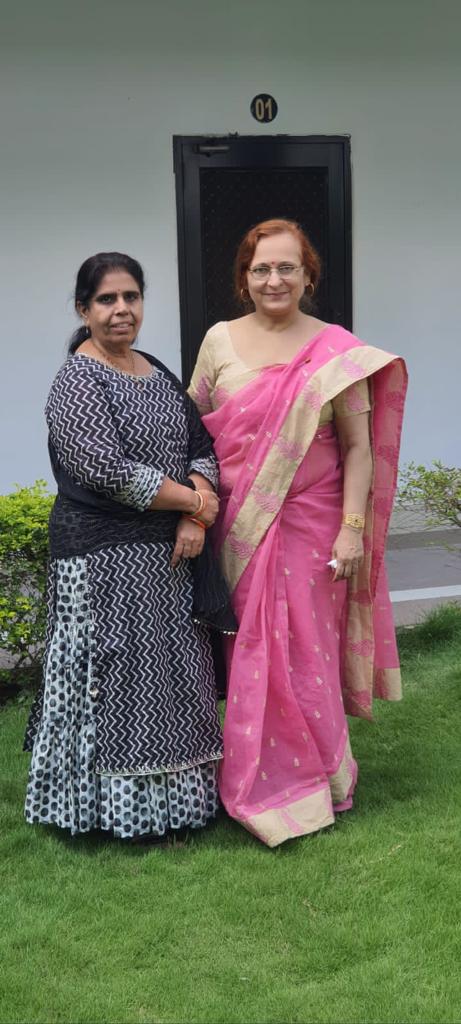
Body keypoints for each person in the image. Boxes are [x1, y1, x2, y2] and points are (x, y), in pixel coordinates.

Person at [188, 219, 407, 848]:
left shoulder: (337, 352)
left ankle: (325, 781)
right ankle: (255, 779)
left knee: (309, 649)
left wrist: (351, 530)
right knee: (250, 649)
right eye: (261, 269)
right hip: (241, 524)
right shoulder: (218, 341)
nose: (274, 279)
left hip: (315, 525)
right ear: (244, 278)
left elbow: (359, 448)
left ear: (308, 275)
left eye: (287, 267)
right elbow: (195, 428)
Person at [24, 251, 227, 841]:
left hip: (170, 555)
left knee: (171, 678)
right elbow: (104, 470)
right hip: (100, 557)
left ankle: (181, 806)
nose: (121, 310)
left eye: (131, 297)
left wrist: (196, 513)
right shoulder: (78, 379)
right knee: (114, 682)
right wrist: (194, 504)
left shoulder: (155, 370)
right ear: (83, 309)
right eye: (106, 299)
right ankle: (101, 811)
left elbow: (201, 444)